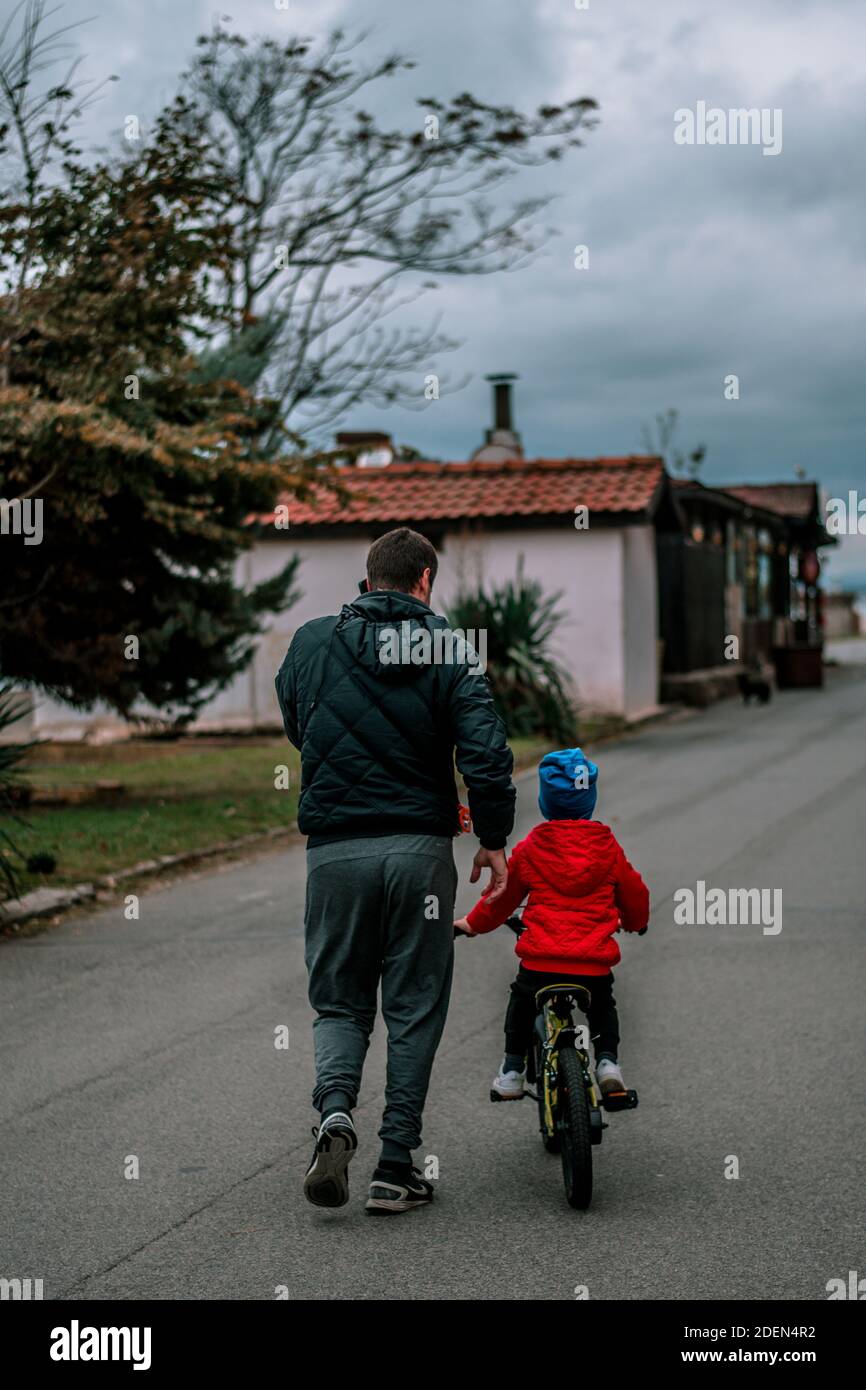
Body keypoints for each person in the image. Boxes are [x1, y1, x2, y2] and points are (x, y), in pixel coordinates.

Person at [276, 527, 515, 1214]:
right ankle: (395, 1165)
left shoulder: (311, 641)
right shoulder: (446, 646)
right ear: (426, 580)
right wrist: (493, 838)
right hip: (418, 853)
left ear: (367, 577)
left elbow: (301, 724)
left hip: (334, 854)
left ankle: (334, 1115)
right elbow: (486, 750)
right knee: (413, 1004)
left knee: (340, 1001)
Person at [453, 747, 649, 1100]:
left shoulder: (531, 848)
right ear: (589, 799)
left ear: (545, 801)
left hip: (540, 964)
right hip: (593, 965)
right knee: (603, 1007)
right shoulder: (607, 848)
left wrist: (471, 923)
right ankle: (608, 1064)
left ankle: (512, 1071)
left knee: (521, 1003)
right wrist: (635, 922)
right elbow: (634, 893)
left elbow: (502, 898)